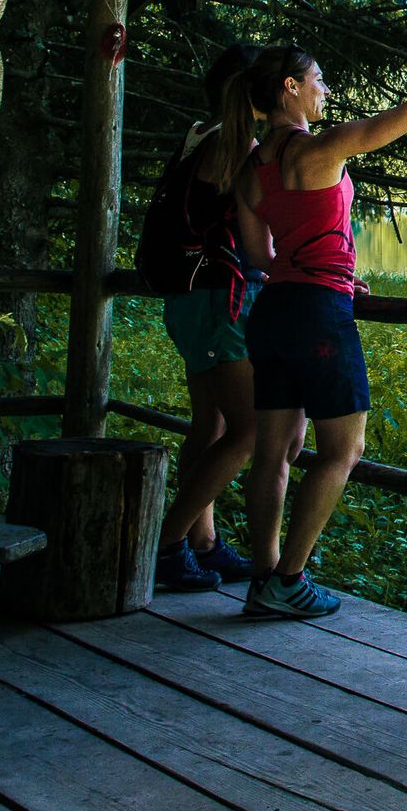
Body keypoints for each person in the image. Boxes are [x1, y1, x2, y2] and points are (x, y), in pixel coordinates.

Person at [217, 45, 407, 620]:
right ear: (290, 88)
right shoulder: (319, 150)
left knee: (273, 452)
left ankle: (263, 578)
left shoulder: (250, 171)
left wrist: (317, 267)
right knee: (344, 450)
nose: (325, 91)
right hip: (317, 313)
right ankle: (289, 580)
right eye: (319, 80)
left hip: (275, 310)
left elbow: (260, 256)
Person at [138, 44, 266, 591]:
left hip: (195, 301)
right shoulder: (235, 146)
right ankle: (166, 544)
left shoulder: (200, 134)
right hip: (220, 302)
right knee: (250, 430)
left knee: (210, 424)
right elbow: (257, 235)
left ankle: (204, 544)